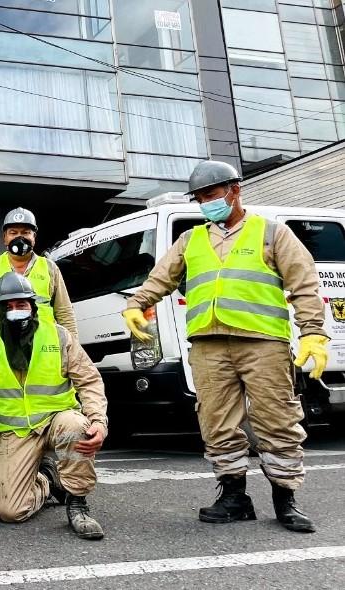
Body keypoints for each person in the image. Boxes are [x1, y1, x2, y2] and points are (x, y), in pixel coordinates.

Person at [123, 160, 328, 533]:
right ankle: (234, 496)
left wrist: (313, 332)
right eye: (200, 198)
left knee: (277, 419)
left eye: (211, 194)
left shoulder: (271, 233)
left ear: (235, 190)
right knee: (216, 422)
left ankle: (285, 498)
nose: (206, 203)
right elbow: (159, 279)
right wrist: (137, 304)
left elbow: (304, 283)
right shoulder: (190, 240)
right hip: (208, 346)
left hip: (262, 343)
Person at [0, 273, 107, 539]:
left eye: (21, 304)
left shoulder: (59, 337)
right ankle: (46, 479)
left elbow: (89, 380)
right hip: (17, 431)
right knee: (10, 511)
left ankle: (78, 503)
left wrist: (98, 421)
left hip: (57, 421)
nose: (15, 311)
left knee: (77, 426)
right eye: (8, 306)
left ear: (32, 306)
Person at [0, 207, 78, 500]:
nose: (20, 237)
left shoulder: (50, 269)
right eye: (14, 232)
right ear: (5, 237)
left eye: (26, 232)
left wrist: (71, 352)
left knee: (44, 414)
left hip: (41, 356)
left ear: (35, 236)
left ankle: (44, 472)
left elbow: (64, 312)